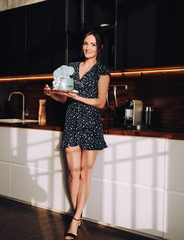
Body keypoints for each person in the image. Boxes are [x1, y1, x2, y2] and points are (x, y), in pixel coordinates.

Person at [44, 30, 110, 240]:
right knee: (73, 174)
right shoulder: (71, 68)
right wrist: (53, 94)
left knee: (85, 174)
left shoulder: (102, 71)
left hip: (90, 123)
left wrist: (77, 97)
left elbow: (100, 103)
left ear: (99, 48)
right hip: (71, 122)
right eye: (85, 44)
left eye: (92, 44)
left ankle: (74, 221)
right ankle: (79, 215)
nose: (87, 48)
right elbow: (65, 99)